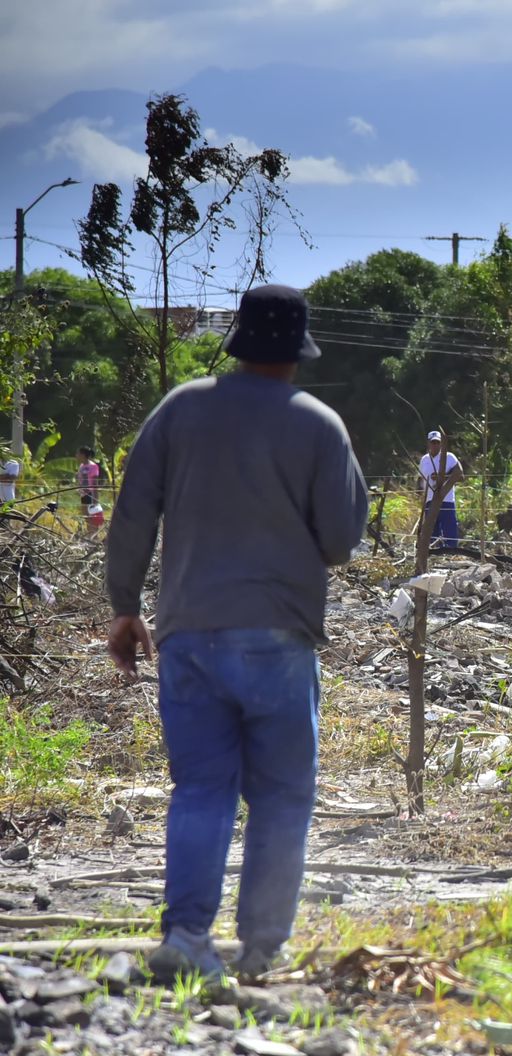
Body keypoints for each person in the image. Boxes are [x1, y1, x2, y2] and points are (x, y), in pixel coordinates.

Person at [104, 283, 368, 982]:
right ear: (299, 353)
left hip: (188, 634)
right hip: (279, 638)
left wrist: (125, 605)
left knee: (200, 788)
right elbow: (342, 541)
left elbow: (132, 511)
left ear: (238, 343)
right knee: (281, 795)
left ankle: (187, 938)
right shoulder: (320, 425)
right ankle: (260, 950)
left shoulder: (181, 408)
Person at [419, 430, 463, 549]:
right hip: (429, 500)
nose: (435, 445)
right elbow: (421, 480)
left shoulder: (449, 457)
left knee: (449, 530)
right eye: (433, 442)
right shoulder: (424, 460)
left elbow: (460, 474)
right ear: (428, 443)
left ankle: (451, 553)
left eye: (438, 442)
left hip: (446, 499)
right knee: (431, 532)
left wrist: (441, 477)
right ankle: (434, 556)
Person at [77, 446, 105, 533]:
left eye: (78, 453)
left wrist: (95, 499)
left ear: (83, 455)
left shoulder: (93, 466)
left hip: (91, 494)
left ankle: (94, 536)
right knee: (86, 517)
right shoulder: (81, 466)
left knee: (93, 517)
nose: (76, 455)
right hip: (83, 495)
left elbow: (94, 483)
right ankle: (90, 536)